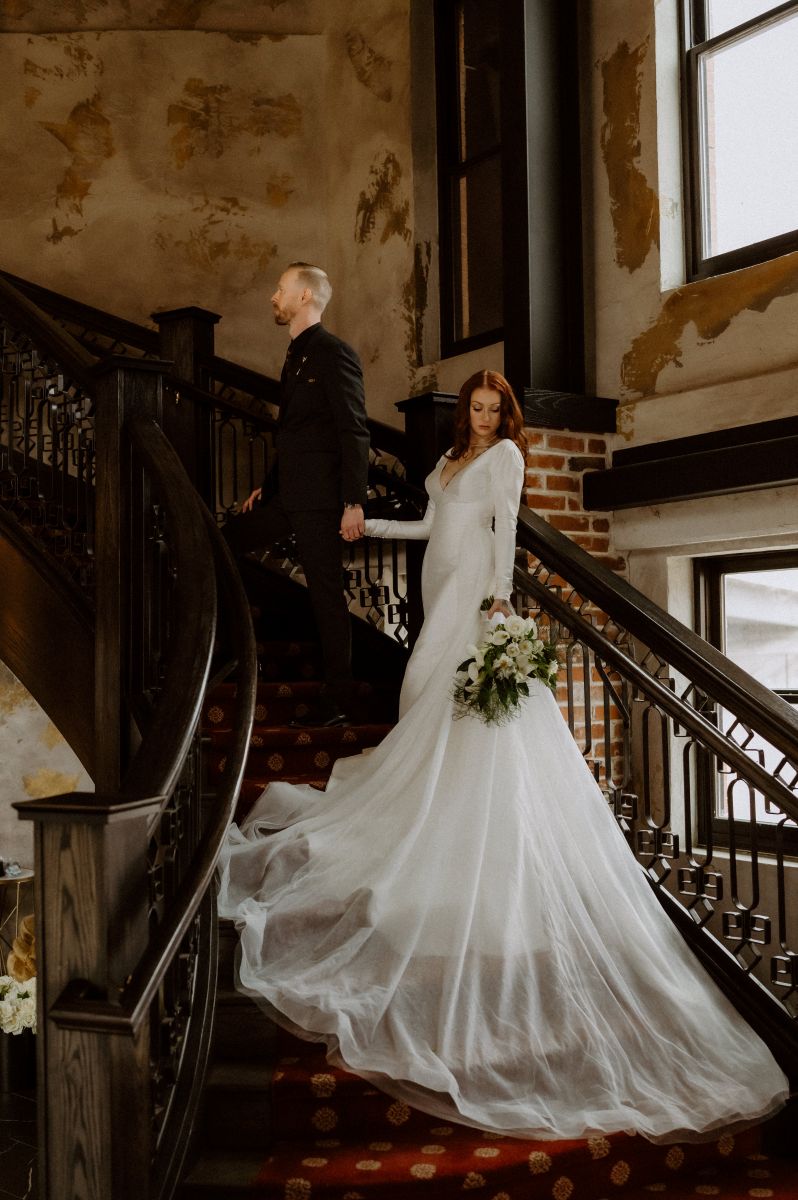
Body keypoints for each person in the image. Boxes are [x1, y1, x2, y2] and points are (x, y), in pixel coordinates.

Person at [218, 370, 788, 1143]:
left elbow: (505, 529)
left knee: (447, 703)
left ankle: (454, 835)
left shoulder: (507, 460)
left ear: (507, 415)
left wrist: (497, 601)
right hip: (434, 585)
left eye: (494, 410)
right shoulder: (447, 464)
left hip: (471, 602)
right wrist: (371, 531)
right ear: (465, 415)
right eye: (477, 409)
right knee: (420, 696)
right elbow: (431, 528)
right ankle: (429, 814)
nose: (485, 419)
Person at [224, 261, 370, 725]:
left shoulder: (332, 352)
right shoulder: (295, 355)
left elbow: (353, 430)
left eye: (281, 288)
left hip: (324, 500)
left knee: (326, 594)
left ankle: (339, 699)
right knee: (227, 541)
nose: (274, 295)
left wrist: (353, 502)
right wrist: (268, 485)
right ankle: (236, 650)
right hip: (289, 494)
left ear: (304, 295)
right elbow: (295, 432)